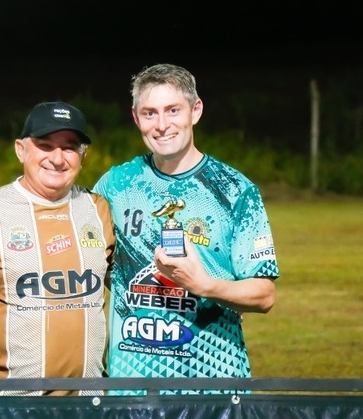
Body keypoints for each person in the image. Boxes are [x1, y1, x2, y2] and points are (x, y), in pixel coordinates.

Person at [93, 63, 279, 391]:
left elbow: (264, 295)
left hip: (213, 384)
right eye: (149, 113)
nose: (162, 125)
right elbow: (91, 260)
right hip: (132, 385)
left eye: (173, 110)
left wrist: (206, 286)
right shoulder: (115, 185)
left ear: (196, 111)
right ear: (136, 118)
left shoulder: (234, 190)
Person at [0, 101, 115, 396]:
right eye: (45, 145)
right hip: (9, 405)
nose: (57, 158)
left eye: (69, 147)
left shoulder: (98, 209)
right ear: (21, 150)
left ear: (83, 155)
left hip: (88, 404)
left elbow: (127, 291)